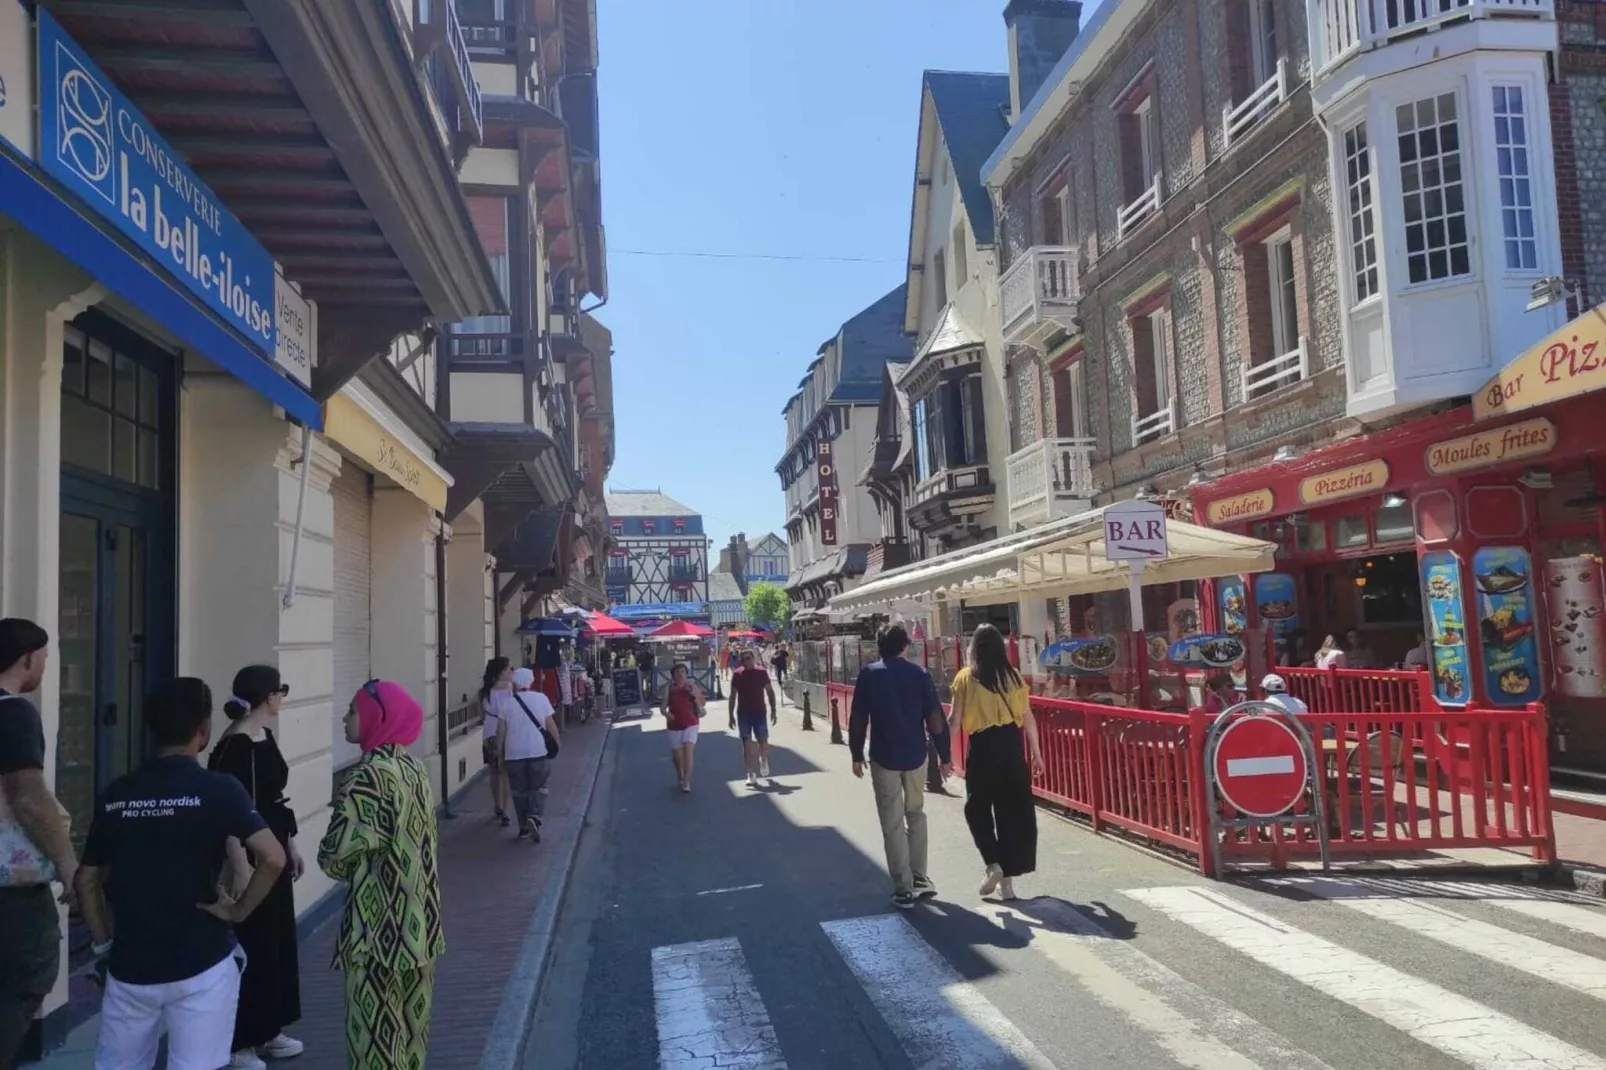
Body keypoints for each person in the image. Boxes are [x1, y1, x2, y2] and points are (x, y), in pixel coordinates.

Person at [76, 677, 286, 1070]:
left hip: (132, 964)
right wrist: (238, 911)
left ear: (151, 730)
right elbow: (273, 858)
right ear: (203, 731)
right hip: (202, 960)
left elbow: (85, 881)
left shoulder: (117, 793)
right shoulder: (220, 789)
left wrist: (104, 946)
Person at [319, 681, 444, 1070]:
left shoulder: (369, 777)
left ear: (377, 717)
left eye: (353, 711)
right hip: (419, 927)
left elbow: (333, 858)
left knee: (375, 1047)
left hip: (377, 936)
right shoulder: (412, 767)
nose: (344, 718)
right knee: (410, 1042)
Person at [209, 666, 304, 1069]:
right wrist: (239, 864)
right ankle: (238, 1041)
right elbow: (229, 809)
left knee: (276, 939)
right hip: (251, 855)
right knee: (253, 941)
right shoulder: (236, 746)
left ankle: (268, 1029)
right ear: (269, 695)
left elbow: (274, 797)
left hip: (274, 846)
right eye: (281, 690)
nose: (283, 697)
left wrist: (291, 842)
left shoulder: (263, 736)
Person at [0, 620, 75, 1070]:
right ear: (28, 657)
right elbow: (28, 797)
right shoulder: (13, 712)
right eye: (46, 656)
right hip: (11, 886)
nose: (46, 665)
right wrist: (66, 862)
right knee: (30, 971)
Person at [849, 624, 951, 910]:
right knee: (916, 813)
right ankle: (920, 877)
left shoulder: (870, 675)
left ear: (879, 646)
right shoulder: (919, 674)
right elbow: (935, 718)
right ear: (905, 646)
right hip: (916, 754)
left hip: (884, 754)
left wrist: (856, 753)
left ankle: (903, 887)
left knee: (892, 821)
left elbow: (858, 717)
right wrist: (945, 756)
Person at [948, 625, 1043, 902]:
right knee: (1010, 814)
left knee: (977, 809)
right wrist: (1036, 753)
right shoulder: (1012, 677)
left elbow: (954, 721)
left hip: (982, 748)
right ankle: (1008, 887)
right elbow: (1028, 718)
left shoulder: (966, 678)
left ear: (974, 649)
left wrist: (942, 754)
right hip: (1012, 749)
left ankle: (993, 863)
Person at [501, 667, 561, 841]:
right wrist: (557, 742)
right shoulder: (541, 699)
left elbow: (500, 731)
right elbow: (550, 724)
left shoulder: (507, 703)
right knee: (539, 788)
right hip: (537, 751)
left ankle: (523, 828)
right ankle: (534, 816)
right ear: (530, 681)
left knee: (519, 792)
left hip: (513, 754)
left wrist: (499, 750)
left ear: (515, 683)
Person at [729, 650, 778, 788]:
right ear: (741, 661)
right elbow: (733, 695)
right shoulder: (737, 674)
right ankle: (750, 773)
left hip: (759, 712)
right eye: (743, 659)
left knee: (763, 741)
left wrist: (773, 710)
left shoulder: (761, 672)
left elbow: (770, 692)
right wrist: (730, 715)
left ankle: (763, 759)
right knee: (746, 743)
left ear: (754, 658)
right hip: (743, 713)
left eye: (749, 658)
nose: (747, 662)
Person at [661, 664, 705, 793]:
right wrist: (666, 714)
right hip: (674, 725)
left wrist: (695, 695)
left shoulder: (692, 686)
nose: (681, 674)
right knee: (677, 755)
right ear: (673, 675)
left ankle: (686, 781)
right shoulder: (669, 689)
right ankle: (680, 775)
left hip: (691, 723)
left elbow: (703, 702)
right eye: (678, 671)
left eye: (683, 671)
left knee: (688, 751)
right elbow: (663, 707)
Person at [480, 658, 513, 826]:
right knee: (504, 774)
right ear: (501, 671)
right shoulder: (509, 690)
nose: (511, 672)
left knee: (494, 772)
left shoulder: (486, 691)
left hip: (489, 734)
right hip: (505, 733)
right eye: (508, 669)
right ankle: (505, 809)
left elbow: (482, 715)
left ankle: (497, 805)